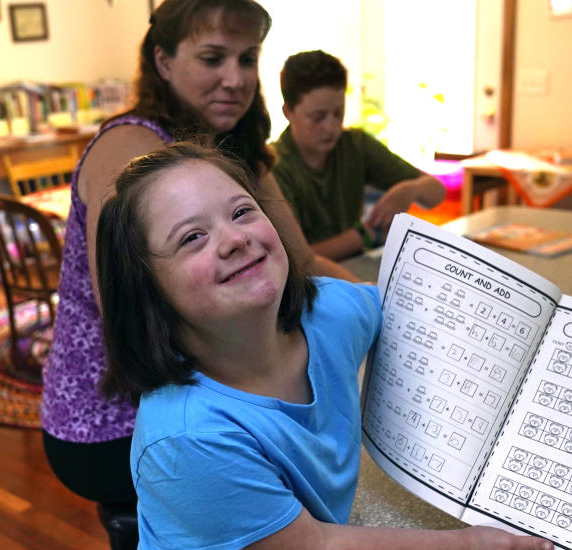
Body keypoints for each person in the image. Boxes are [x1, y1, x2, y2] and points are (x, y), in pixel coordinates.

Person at [96, 141, 554, 550]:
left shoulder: (329, 313)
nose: (232, 239)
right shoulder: (186, 438)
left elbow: (419, 313)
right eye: (192, 238)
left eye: (242, 211)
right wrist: (469, 547)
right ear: (147, 290)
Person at [40, 0, 355, 506]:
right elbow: (131, 315)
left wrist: (394, 304)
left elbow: (304, 262)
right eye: (213, 58)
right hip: (119, 422)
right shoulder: (131, 151)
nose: (234, 78)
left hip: (207, 393)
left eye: (247, 59)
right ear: (163, 61)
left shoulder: (231, 145)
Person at [272, 50, 446, 261]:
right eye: (317, 117)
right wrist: (366, 235)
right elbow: (295, 260)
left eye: (338, 113)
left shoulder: (354, 145)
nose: (331, 126)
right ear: (288, 112)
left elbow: (437, 192)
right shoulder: (273, 167)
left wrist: (410, 190)